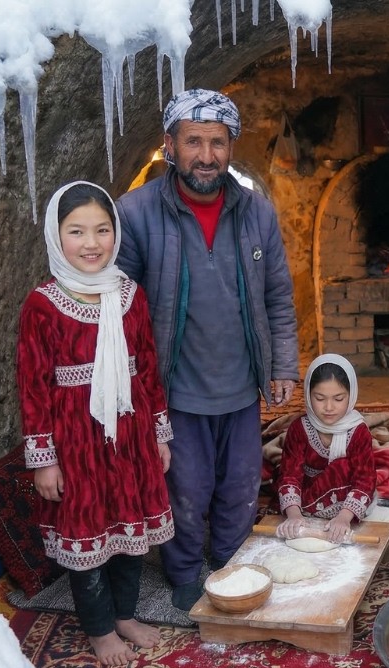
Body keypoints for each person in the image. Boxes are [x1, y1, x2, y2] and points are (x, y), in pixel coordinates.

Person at [116, 88, 299, 611]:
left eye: (217, 142)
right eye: (193, 141)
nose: (206, 155)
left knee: (240, 485)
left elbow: (277, 294)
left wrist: (283, 365)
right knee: (186, 488)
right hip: (175, 385)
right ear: (169, 145)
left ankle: (231, 564)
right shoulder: (136, 212)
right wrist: (135, 387)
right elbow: (121, 307)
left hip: (240, 383)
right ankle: (183, 573)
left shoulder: (255, 210)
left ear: (231, 147)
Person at [17, 181, 175, 665]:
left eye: (102, 230)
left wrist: (159, 434)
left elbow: (147, 369)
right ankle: (100, 629)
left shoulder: (129, 295)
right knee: (88, 530)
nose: (92, 243)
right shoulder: (43, 305)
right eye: (77, 231)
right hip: (76, 441)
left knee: (130, 526)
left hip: (130, 432)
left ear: (116, 233)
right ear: (55, 235)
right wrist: (45, 460)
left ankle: (124, 614)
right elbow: (33, 386)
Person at [276, 354, 376, 544]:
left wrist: (344, 518)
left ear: (351, 396)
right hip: (306, 502)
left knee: (342, 466)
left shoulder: (358, 431)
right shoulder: (299, 428)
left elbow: (365, 480)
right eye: (320, 398)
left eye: (338, 398)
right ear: (308, 395)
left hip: (346, 504)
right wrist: (294, 515)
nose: (329, 407)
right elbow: (289, 475)